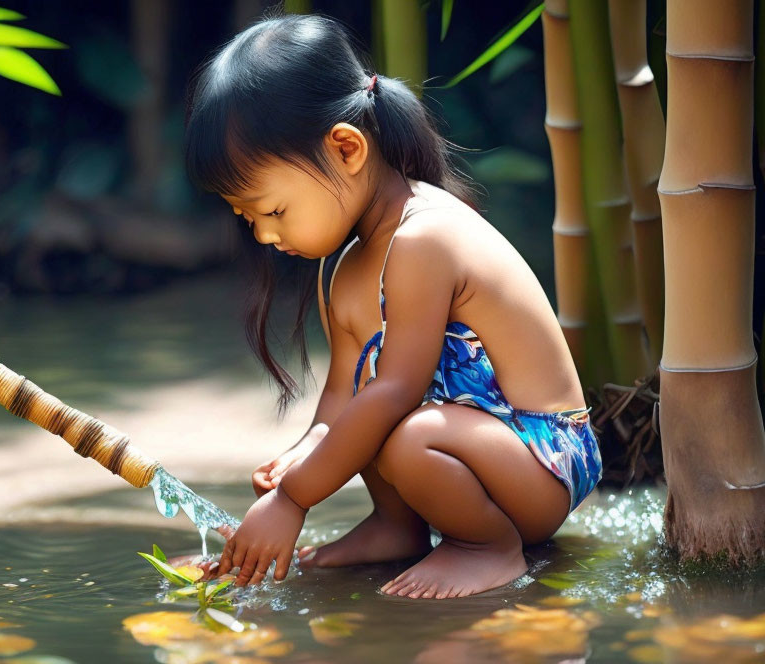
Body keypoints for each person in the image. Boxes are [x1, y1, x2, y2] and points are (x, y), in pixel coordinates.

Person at [183, 11, 602, 599]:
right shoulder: (346, 266)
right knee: (366, 422)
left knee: (402, 429)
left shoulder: (424, 237)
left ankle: (486, 546)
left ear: (347, 149)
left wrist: (297, 498)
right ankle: (396, 527)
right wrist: (296, 462)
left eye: (272, 211)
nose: (264, 236)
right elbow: (342, 399)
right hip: (475, 447)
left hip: (544, 458)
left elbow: (396, 392)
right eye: (250, 219)